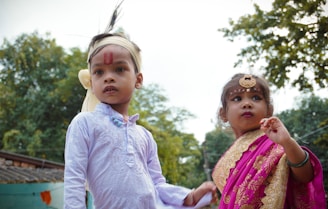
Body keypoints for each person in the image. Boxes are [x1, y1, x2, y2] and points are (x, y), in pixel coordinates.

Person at [64, 5, 217, 209]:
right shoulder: (84, 123)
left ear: (138, 79)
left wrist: (189, 197)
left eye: (119, 69)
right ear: (91, 82)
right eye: (99, 72)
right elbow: (73, 179)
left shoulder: (144, 136)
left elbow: (157, 185)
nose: (108, 77)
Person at [211, 73, 326, 208]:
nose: (247, 103)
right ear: (223, 114)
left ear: (269, 110)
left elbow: (306, 176)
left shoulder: (275, 141)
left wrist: (287, 142)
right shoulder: (227, 161)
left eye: (256, 97)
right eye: (237, 99)